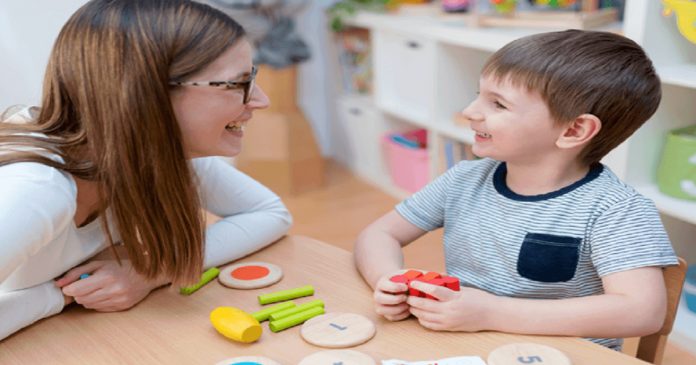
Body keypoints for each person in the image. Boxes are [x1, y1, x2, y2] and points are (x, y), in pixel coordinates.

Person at [354, 29, 678, 350]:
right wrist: (389, 280)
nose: (470, 111)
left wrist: (492, 313)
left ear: (574, 129)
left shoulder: (617, 209)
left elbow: (643, 312)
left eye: (498, 104)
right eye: (478, 94)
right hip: (468, 343)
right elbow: (379, 234)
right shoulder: (464, 180)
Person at [0, 0, 292, 340]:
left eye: (251, 78)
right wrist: (59, 295)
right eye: (236, 84)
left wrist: (149, 271)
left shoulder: (157, 151)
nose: (260, 100)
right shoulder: (36, 190)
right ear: (146, 93)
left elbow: (268, 212)